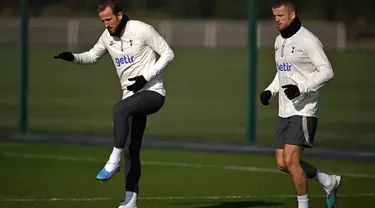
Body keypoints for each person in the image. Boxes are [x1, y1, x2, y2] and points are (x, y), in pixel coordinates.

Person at [53, 0, 174, 207]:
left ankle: (113, 160)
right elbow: (92, 56)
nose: (106, 24)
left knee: (119, 109)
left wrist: (145, 78)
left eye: (108, 19)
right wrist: (72, 57)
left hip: (153, 94)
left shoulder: (141, 29)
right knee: (132, 151)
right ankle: (130, 201)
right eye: (103, 21)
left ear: (119, 15)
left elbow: (168, 54)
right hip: (131, 100)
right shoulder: (107, 37)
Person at [259, 1, 341, 208]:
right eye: (274, 16)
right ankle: (328, 181)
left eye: (280, 16)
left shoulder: (307, 39)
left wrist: (302, 88)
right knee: (283, 163)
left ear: (293, 15)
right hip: (284, 110)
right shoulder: (279, 41)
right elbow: (283, 72)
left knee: (292, 161)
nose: (276, 20)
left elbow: (327, 71)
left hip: (304, 109)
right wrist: (271, 90)